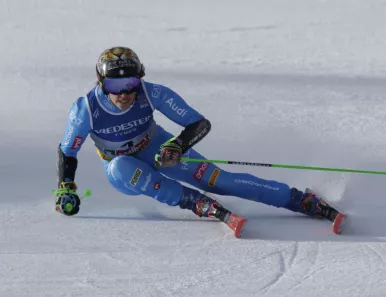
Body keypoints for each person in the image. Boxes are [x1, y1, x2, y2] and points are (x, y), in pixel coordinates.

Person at [55, 46, 326, 231]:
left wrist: (178, 145)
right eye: (115, 85)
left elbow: (199, 123)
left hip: (157, 149)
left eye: (131, 85)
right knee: (121, 167)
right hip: (123, 171)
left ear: (141, 79)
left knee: (222, 182)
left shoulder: (152, 93)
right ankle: (194, 202)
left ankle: (298, 200)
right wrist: (66, 187)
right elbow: (68, 150)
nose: (124, 93)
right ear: (100, 82)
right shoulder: (86, 109)